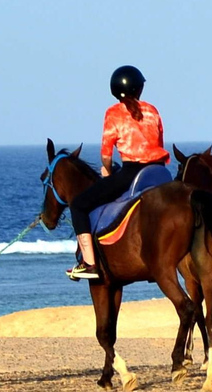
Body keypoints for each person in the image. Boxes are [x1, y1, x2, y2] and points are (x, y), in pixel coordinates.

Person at [66, 65, 170, 280]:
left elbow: (106, 154)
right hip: (159, 172)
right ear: (139, 88)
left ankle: (89, 264)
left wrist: (107, 169)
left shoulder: (113, 112)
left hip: (132, 172)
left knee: (78, 205)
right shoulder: (152, 110)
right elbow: (158, 142)